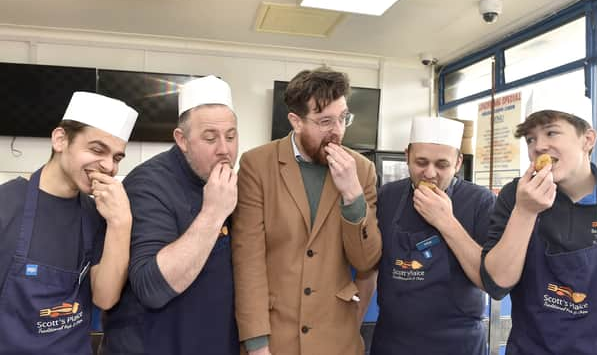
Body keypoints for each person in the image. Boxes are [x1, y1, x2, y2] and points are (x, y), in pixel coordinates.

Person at [232, 68, 382, 355]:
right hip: (276, 336)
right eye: (325, 121)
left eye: (343, 118)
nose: (337, 130)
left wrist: (353, 196)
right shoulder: (257, 165)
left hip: (337, 338)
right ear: (296, 121)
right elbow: (247, 260)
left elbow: (366, 261)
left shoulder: (361, 170)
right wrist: (256, 343)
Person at [481, 89, 597, 354]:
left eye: (551, 132)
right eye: (531, 139)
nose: (538, 146)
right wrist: (525, 211)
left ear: (587, 139)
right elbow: (496, 284)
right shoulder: (515, 196)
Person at [100, 75, 239, 355]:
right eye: (210, 138)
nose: (224, 149)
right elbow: (152, 287)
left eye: (232, 136)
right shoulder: (148, 184)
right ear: (182, 140)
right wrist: (213, 212)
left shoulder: (232, 182)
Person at [0, 92, 138, 355]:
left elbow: (105, 297)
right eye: (97, 150)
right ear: (60, 139)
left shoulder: (98, 215)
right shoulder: (6, 205)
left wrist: (121, 221)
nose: (108, 166)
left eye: (117, 157)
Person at [369, 116, 496, 355]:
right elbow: (369, 263)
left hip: (458, 343)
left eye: (442, 165)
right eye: (421, 162)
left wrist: (445, 221)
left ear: (458, 163)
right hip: (394, 341)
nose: (429, 173)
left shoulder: (480, 202)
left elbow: (489, 280)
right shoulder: (387, 196)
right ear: (406, 155)